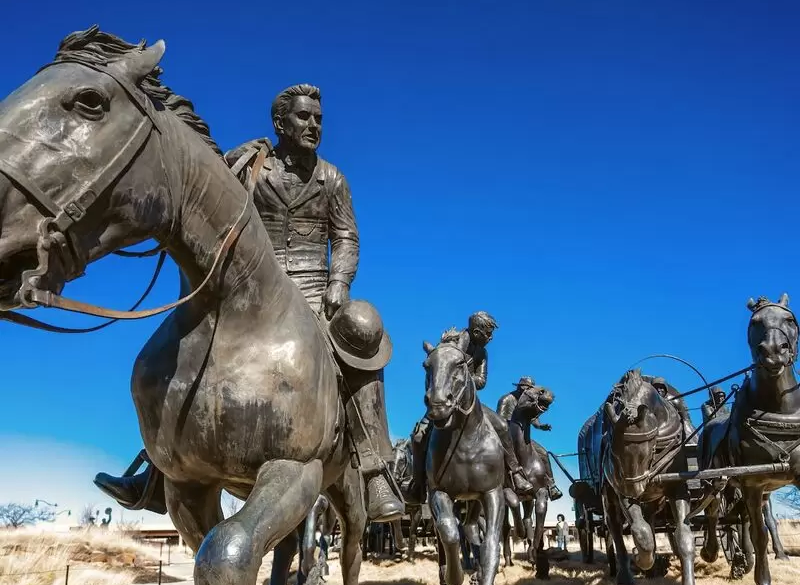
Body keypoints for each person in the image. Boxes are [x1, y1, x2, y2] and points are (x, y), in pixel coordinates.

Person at [94, 84, 404, 522]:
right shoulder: (254, 168)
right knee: (181, 344)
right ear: (280, 123)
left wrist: (339, 281)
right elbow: (209, 200)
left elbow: (347, 237)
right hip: (254, 283)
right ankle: (156, 470)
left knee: (366, 328)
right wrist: (233, 163)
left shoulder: (332, 179)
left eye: (318, 118)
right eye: (304, 117)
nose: (314, 125)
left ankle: (373, 467)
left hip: (316, 287)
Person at [405, 312, 535, 505]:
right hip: (445, 400)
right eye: (488, 334)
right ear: (477, 331)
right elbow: (438, 368)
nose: (490, 338)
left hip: (469, 401)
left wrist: (465, 380)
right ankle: (418, 483)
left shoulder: (482, 353)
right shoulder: (450, 344)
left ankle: (515, 473)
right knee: (417, 437)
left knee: (501, 425)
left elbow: (481, 381)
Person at [496, 377, 563, 500]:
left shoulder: (530, 400)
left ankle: (551, 484)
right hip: (506, 437)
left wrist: (540, 426)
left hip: (522, 436)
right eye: (528, 388)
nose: (530, 391)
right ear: (520, 387)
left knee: (543, 453)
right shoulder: (506, 399)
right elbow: (500, 421)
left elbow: (533, 418)